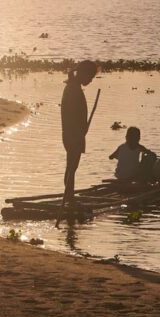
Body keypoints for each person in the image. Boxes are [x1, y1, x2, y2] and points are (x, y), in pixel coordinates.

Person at [60, 60, 99, 210]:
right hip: (72, 135)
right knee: (71, 167)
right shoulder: (72, 89)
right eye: (90, 77)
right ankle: (69, 198)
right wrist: (78, 132)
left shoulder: (74, 87)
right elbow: (70, 114)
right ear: (83, 73)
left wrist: (82, 129)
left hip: (74, 134)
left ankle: (69, 196)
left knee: (72, 167)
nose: (90, 81)